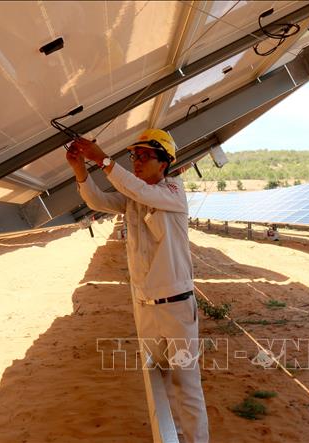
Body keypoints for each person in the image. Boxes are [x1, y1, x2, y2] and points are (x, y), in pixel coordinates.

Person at [65, 129, 209, 442]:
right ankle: (176, 435)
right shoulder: (134, 197)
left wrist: (102, 159)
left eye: (143, 156)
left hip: (175, 307)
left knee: (186, 382)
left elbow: (140, 192)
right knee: (160, 378)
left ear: (165, 162)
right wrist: (80, 171)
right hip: (145, 306)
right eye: (134, 157)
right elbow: (99, 200)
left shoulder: (173, 191)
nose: (136, 162)